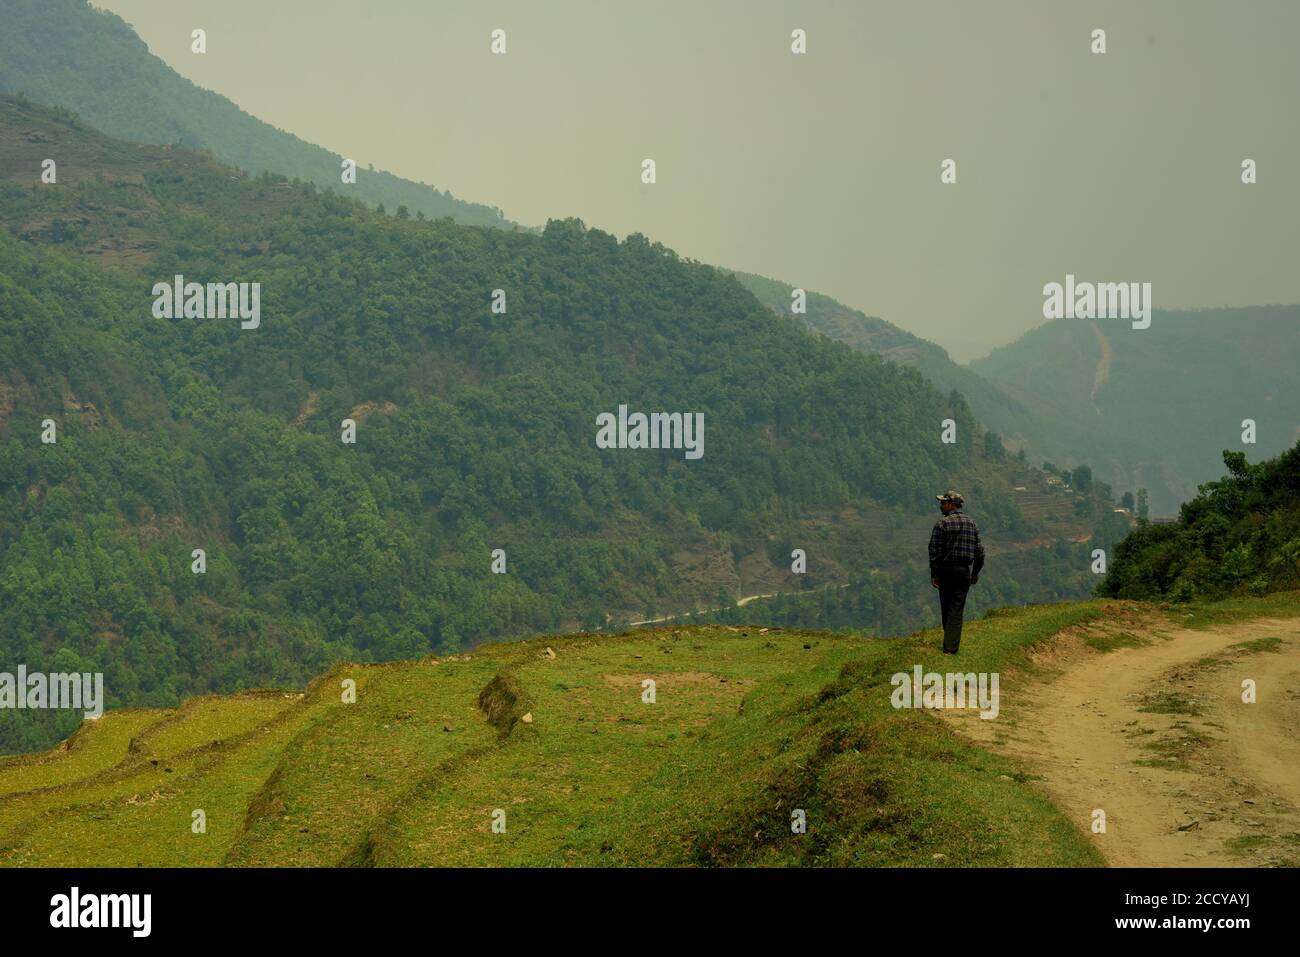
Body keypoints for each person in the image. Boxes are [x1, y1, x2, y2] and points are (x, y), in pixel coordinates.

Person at [928, 491, 984, 654]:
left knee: (946, 606)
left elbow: (934, 551)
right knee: (957, 607)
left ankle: (949, 645)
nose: (941, 506)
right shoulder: (972, 524)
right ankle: (951, 645)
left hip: (946, 571)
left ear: (952, 504)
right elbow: (980, 552)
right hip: (963, 571)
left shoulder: (942, 524)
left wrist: (934, 574)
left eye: (944, 503)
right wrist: (975, 573)